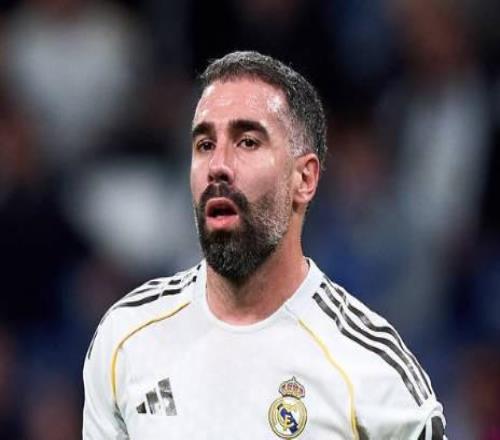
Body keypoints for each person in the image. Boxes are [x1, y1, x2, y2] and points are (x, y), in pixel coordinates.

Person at [83, 51, 446, 439]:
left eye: (247, 142)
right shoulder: (126, 340)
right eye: (205, 144)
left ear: (304, 179)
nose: (218, 165)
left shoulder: (374, 375)